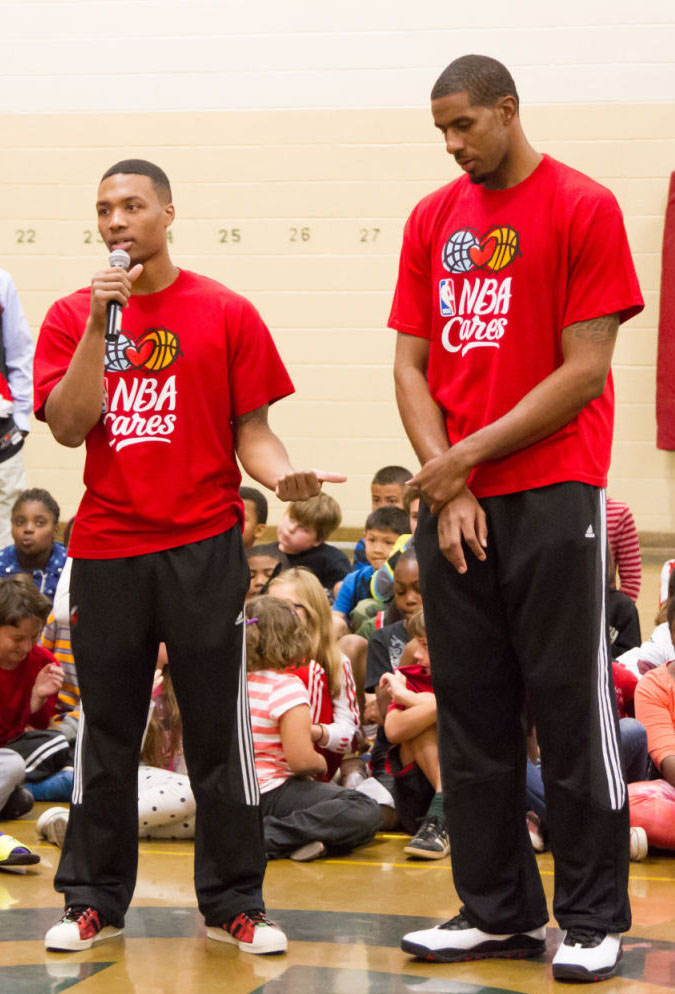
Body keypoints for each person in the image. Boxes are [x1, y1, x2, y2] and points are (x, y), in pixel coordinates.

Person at [33, 158, 344, 955]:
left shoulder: (226, 312)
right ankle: (91, 900)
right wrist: (104, 329)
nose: (116, 222)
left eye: (132, 206)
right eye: (103, 209)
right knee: (106, 730)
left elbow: (255, 436)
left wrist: (286, 479)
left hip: (203, 546)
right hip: (107, 547)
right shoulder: (74, 315)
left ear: (169, 213)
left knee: (217, 731)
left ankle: (236, 903)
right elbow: (69, 427)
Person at [390, 55, 643, 981]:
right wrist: (446, 480)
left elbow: (584, 370)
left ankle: (589, 918)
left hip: (551, 494)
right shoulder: (430, 219)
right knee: (472, 714)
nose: (452, 146)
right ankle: (495, 910)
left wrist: (465, 458)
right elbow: (410, 367)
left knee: (570, 711)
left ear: (507, 109)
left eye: (464, 126)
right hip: (455, 500)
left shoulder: (582, 205)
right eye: (440, 133)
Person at [246, 595, 381, 862]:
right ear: (294, 638)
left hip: (235, 793)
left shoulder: (232, 683)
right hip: (273, 793)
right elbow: (299, 760)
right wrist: (320, 764)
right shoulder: (286, 687)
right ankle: (264, 838)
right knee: (364, 809)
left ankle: (302, 842)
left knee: (341, 826)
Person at [382, 609, 448, 859]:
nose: (417, 655)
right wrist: (432, 704)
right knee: (418, 727)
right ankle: (443, 811)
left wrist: (408, 697)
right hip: (418, 799)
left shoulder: (476, 678)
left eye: (426, 646)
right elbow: (393, 730)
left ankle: (445, 814)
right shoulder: (411, 677)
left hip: (472, 789)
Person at [0, 575, 72, 794]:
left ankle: (17, 792)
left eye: (34, 637)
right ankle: (26, 791)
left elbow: (35, 732)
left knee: (58, 744)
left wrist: (38, 700)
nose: (27, 646)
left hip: (14, 752)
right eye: (18, 638)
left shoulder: (44, 664)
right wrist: (30, 703)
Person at [333, 506, 410, 629]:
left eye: (388, 542)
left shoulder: (410, 582)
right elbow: (336, 616)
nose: (377, 550)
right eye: (371, 540)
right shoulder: (353, 580)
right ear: (364, 537)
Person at [0, 270, 34, 549]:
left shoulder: (2, 282)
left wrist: (20, 420)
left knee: (5, 540)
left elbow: (20, 352)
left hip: (3, 437)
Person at [276, 492, 351, 596]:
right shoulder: (263, 554)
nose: (291, 529)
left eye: (304, 529)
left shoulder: (333, 562)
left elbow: (344, 600)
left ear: (318, 540)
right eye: (291, 519)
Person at [0, 488, 67, 601]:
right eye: (20, 522)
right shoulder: (2, 563)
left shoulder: (69, 566)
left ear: (55, 530)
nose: (28, 529)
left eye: (39, 523)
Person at [352, 465, 412, 566]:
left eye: (391, 501)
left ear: (408, 500)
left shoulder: (416, 539)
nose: (382, 506)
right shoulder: (364, 545)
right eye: (376, 500)